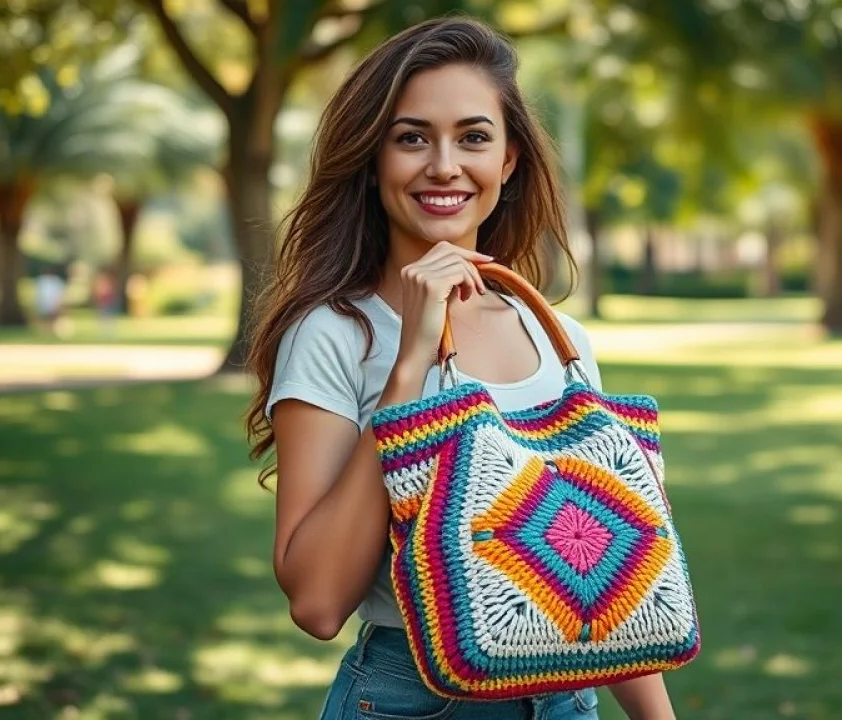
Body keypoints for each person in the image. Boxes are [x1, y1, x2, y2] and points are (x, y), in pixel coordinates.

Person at [244, 17, 679, 720]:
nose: (443, 165)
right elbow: (317, 603)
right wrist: (411, 362)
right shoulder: (332, 335)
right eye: (411, 137)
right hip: (410, 701)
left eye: (473, 137)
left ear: (508, 161)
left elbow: (607, 570)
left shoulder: (559, 340)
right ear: (373, 160)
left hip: (570, 700)